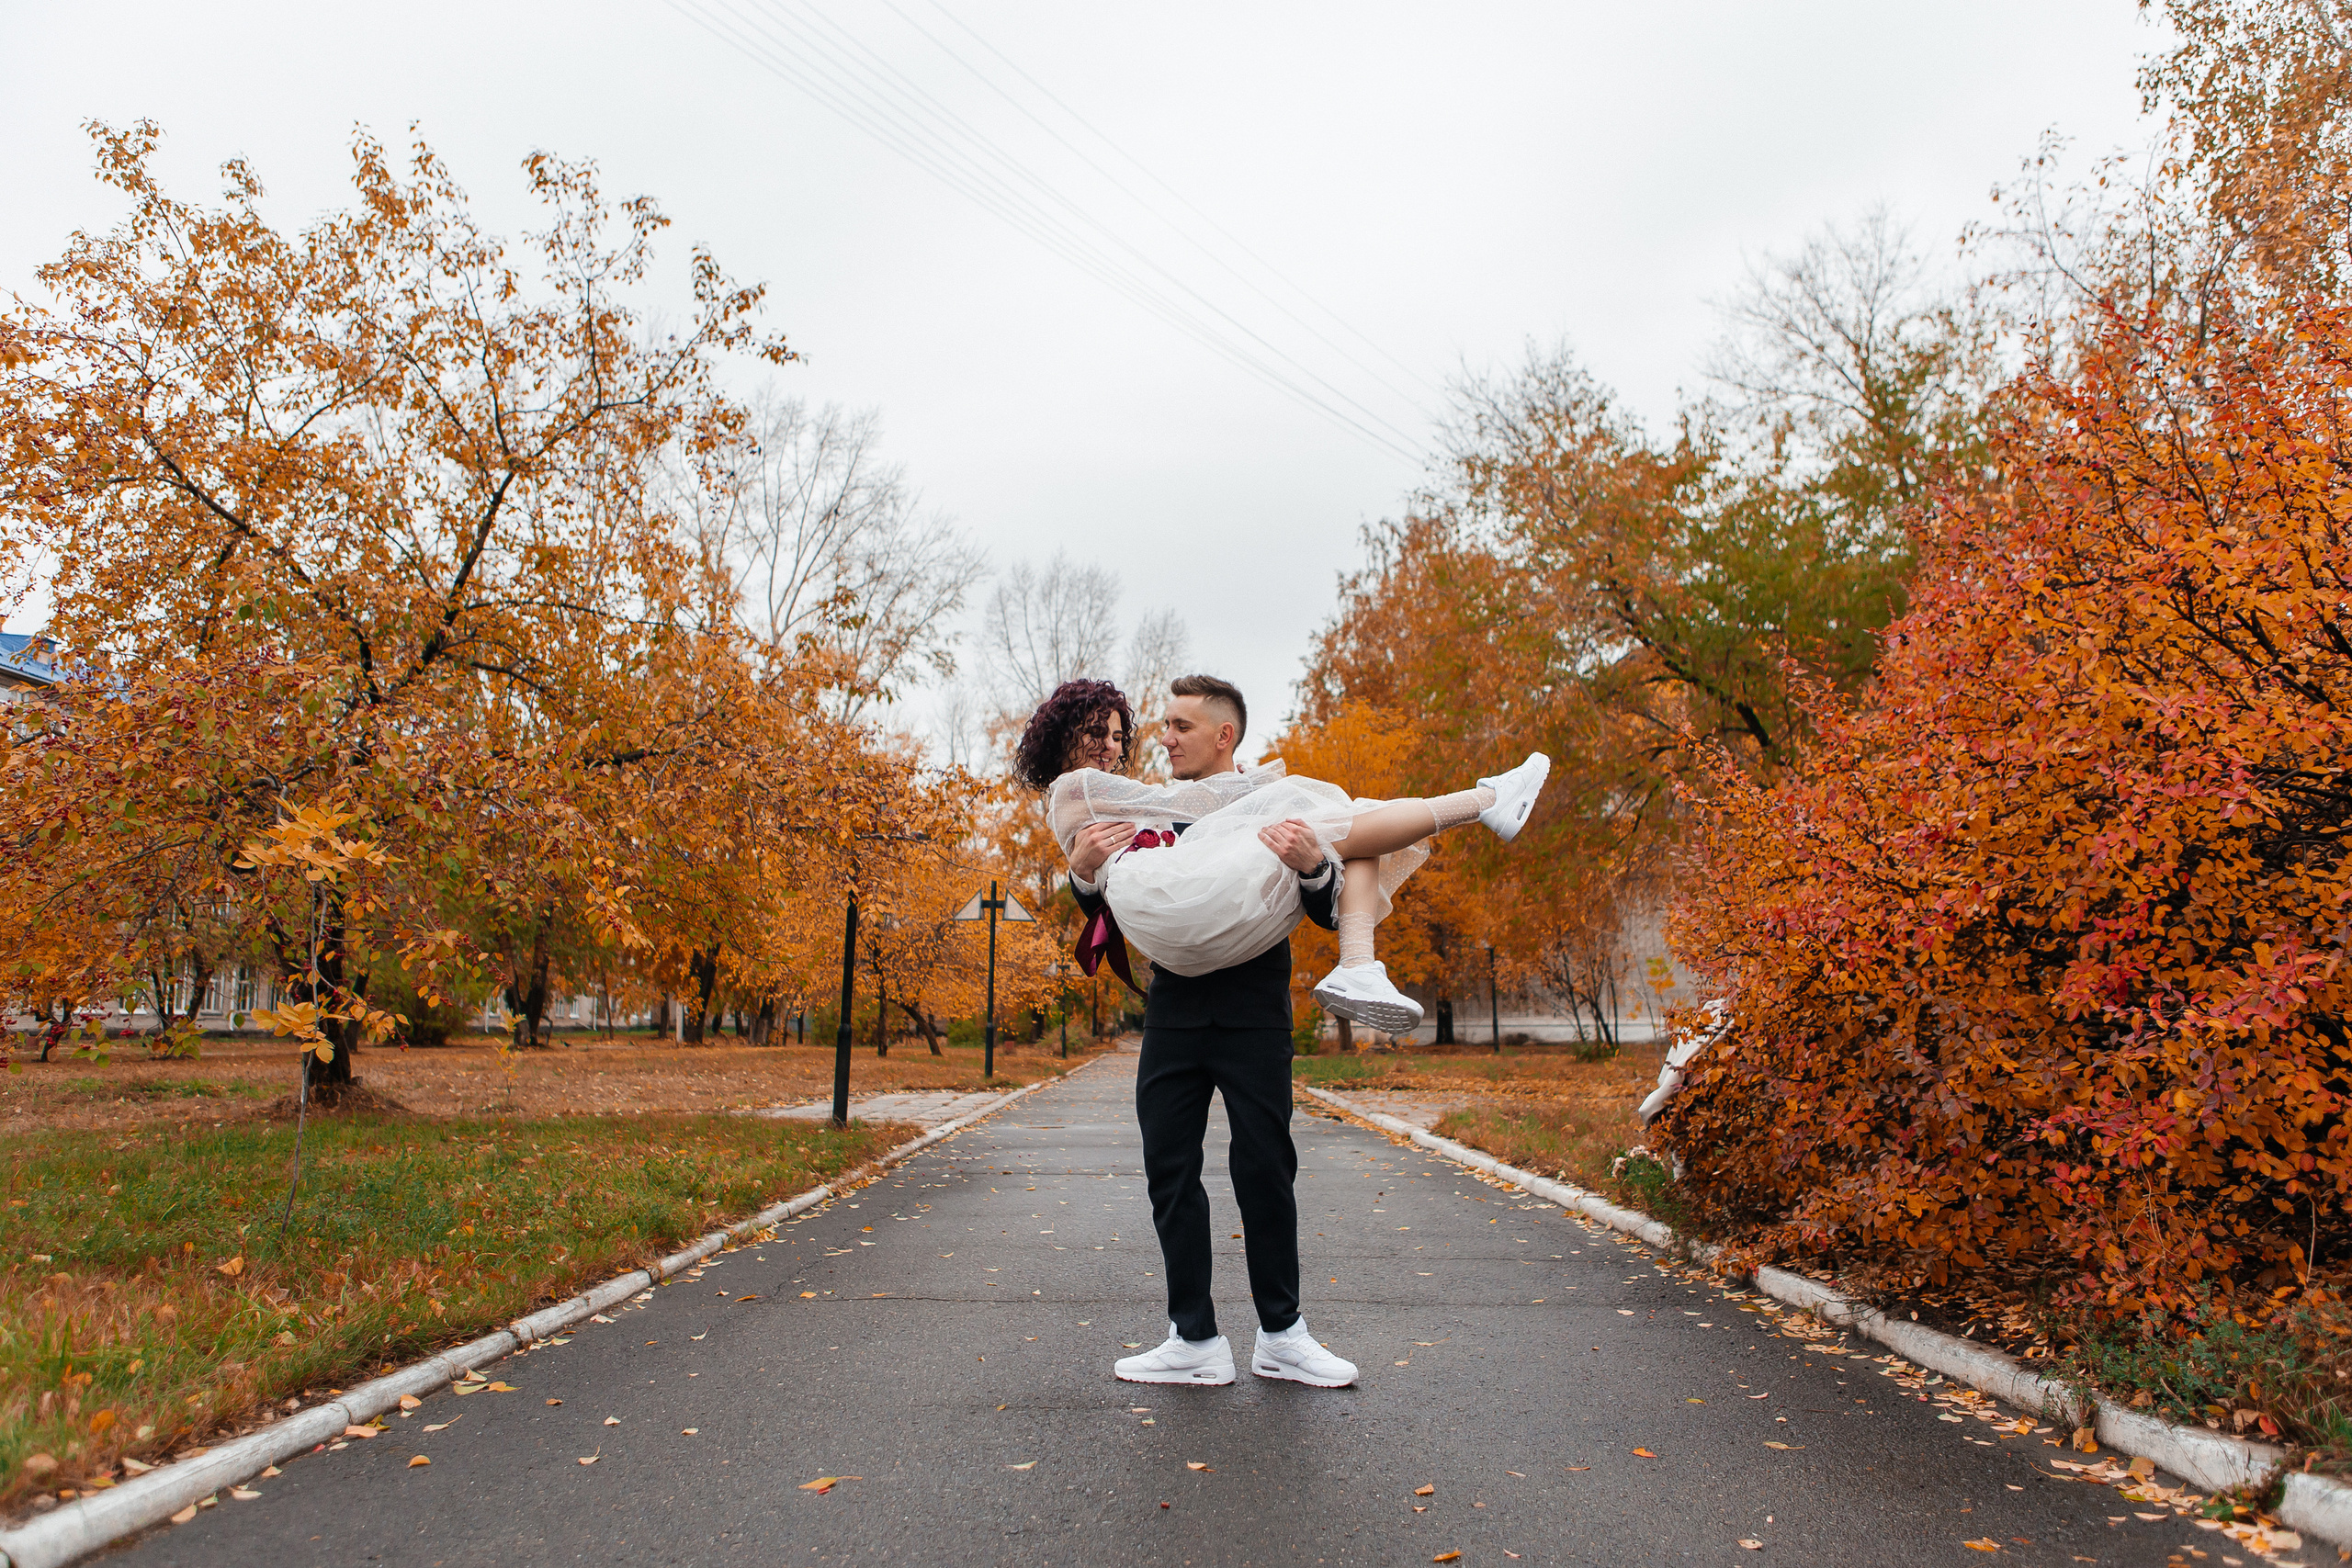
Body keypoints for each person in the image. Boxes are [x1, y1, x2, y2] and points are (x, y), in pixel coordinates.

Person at [1014, 675, 1545, 1389]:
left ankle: (1282, 1334)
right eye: (1153, 729)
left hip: (1254, 1008)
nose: (1155, 741)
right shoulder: (1149, 803)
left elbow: (1323, 903)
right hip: (1173, 1012)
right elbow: (1120, 898)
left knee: (1265, 1168)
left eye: (1177, 727)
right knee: (1169, 1171)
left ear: (1223, 734)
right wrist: (1079, 878)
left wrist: (1313, 867)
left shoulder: (1271, 800)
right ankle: (1192, 1337)